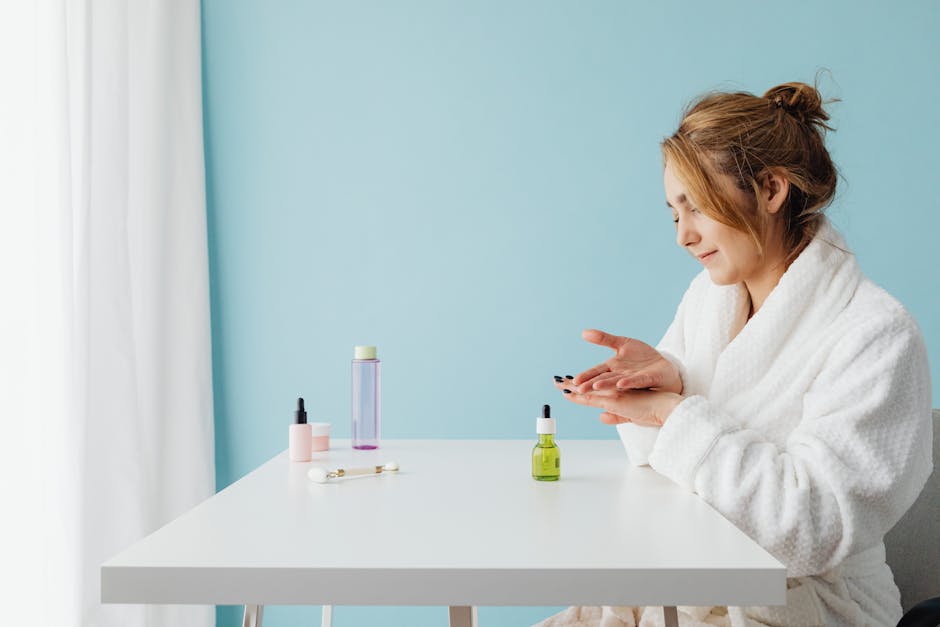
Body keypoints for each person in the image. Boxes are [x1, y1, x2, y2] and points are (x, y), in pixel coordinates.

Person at [541, 81, 933, 626]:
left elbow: (813, 527)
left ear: (771, 189)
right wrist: (662, 383)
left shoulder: (876, 334)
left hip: (808, 606)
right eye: (673, 214)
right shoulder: (709, 299)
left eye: (695, 207)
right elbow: (664, 456)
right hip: (681, 577)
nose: (682, 235)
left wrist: (674, 412)